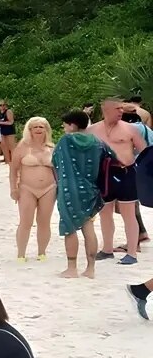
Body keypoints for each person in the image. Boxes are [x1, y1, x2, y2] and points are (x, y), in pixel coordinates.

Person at [88, 97, 146, 264]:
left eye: (122, 108)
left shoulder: (131, 129)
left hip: (125, 173)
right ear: (106, 110)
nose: (121, 111)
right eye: (117, 109)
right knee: (105, 213)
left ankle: (132, 253)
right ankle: (107, 249)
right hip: (103, 174)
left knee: (129, 214)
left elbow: (144, 152)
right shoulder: (92, 130)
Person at [53, 110, 106, 279]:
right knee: (88, 227)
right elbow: (109, 158)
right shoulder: (98, 142)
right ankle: (91, 269)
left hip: (69, 189)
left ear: (73, 125)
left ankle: (71, 268)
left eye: (65, 124)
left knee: (69, 227)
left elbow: (54, 162)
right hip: (90, 189)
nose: (63, 128)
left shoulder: (66, 141)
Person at [9, 117, 56, 263]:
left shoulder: (52, 148)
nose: (38, 129)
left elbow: (59, 170)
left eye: (41, 127)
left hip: (49, 188)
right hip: (27, 188)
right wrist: (13, 188)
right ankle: (21, 254)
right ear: (29, 130)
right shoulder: (22, 147)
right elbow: (13, 169)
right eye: (34, 127)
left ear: (46, 129)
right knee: (25, 222)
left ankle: (42, 253)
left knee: (44, 221)